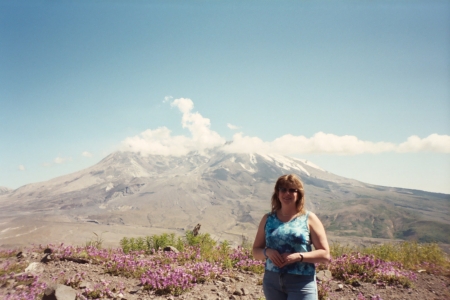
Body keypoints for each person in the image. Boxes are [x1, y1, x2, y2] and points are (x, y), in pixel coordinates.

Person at [253, 174, 330, 300]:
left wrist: (299, 257)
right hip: (272, 282)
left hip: (301, 282)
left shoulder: (309, 218)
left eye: (292, 190)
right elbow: (256, 251)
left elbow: (325, 254)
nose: (286, 193)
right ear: (277, 193)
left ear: (299, 194)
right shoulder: (268, 219)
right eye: (282, 189)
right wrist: (267, 252)